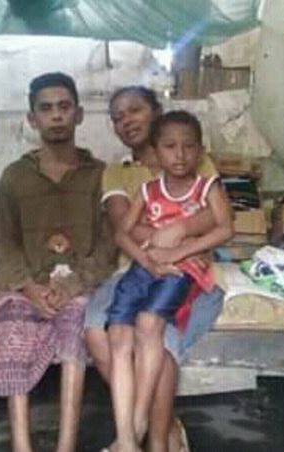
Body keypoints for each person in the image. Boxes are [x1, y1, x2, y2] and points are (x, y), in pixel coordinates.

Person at [84, 86, 233, 452]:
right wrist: (159, 246)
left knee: (156, 339)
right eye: (118, 117)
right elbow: (124, 225)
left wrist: (177, 233)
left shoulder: (193, 159)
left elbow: (216, 218)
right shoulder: (118, 172)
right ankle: (154, 428)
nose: (127, 121)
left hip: (187, 268)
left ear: (156, 111)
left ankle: (156, 440)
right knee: (97, 331)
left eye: (135, 110)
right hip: (135, 267)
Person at [0, 72, 115, 452]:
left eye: (64, 107)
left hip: (80, 286)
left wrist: (73, 285)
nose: (56, 115)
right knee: (13, 331)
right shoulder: (15, 177)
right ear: (32, 118)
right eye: (46, 108)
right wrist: (29, 288)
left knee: (77, 324)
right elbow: (5, 243)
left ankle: (65, 446)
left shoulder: (100, 175)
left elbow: (108, 246)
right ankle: (22, 445)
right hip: (27, 287)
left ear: (79, 115)